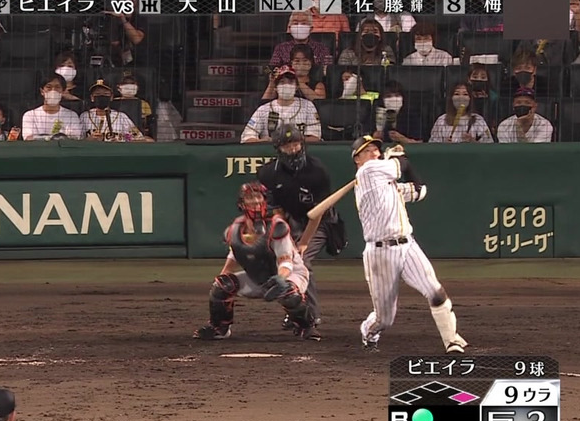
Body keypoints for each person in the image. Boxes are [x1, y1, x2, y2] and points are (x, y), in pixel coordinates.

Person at [349, 136, 468, 353]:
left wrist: (401, 159)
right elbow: (400, 165)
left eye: (376, 149)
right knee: (385, 319)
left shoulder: (388, 185)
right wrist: (398, 156)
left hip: (407, 245)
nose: (374, 153)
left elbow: (419, 189)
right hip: (380, 253)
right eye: (367, 151)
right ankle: (369, 331)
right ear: (357, 159)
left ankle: (452, 340)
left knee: (435, 291)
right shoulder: (366, 172)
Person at [193, 181, 316, 341]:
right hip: (259, 278)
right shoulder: (234, 230)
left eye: (258, 197)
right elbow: (234, 255)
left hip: (291, 273)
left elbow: (286, 261)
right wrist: (221, 282)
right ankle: (219, 328)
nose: (255, 201)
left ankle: (305, 326)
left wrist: (281, 278)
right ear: (242, 203)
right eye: (250, 197)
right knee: (222, 285)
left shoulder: (277, 226)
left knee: (288, 292)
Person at [256, 125, 334, 339]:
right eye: (287, 145)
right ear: (278, 148)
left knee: (302, 261)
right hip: (290, 220)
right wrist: (285, 238)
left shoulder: (317, 170)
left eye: (296, 144)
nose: (292, 149)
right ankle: (294, 311)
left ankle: (311, 315)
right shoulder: (268, 173)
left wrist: (304, 242)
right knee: (284, 263)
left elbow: (318, 213)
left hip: (320, 222)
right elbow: (276, 211)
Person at [241, 67, 322, 143]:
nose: (286, 85)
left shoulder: (308, 106)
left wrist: (292, 141)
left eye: (290, 82)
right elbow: (246, 138)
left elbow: (316, 137)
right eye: (282, 82)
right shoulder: (264, 109)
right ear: (275, 87)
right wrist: (265, 141)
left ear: (296, 87)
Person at [80, 79, 151, 142]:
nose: (101, 96)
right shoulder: (84, 116)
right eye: (97, 94)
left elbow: (139, 139)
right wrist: (88, 140)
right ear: (92, 97)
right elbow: (77, 141)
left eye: (105, 94)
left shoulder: (121, 116)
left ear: (111, 97)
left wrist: (120, 142)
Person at [22, 74, 84, 140]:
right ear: (42, 91)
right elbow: (28, 138)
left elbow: (75, 138)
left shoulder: (71, 115)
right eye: (49, 87)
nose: (53, 90)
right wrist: (54, 138)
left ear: (63, 92)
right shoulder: (30, 115)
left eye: (57, 87)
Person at [269, 11, 334, 69]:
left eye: (304, 23)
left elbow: (328, 71)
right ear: (290, 28)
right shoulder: (281, 48)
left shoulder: (322, 49)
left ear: (311, 29)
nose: (299, 26)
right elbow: (269, 69)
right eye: (295, 23)